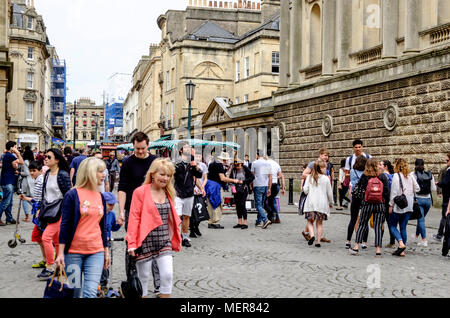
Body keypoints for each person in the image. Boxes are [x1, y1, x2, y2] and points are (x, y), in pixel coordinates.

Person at [126, 158, 182, 298]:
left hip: (163, 240)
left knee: (167, 274)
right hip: (144, 241)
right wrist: (132, 243)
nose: (165, 178)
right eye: (162, 174)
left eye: (168, 175)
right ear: (152, 174)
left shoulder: (169, 192)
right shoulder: (140, 192)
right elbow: (134, 218)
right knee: (143, 278)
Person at [55, 157, 110, 298]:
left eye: (104, 171)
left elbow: (103, 226)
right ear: (90, 172)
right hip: (73, 252)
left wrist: (106, 250)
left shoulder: (101, 196)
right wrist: (60, 253)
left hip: (96, 251)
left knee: (90, 292)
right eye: (100, 171)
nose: (104, 174)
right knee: (75, 292)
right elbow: (65, 225)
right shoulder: (72, 195)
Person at [116, 132, 159, 292]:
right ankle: (132, 281)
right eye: (136, 149)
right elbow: (122, 188)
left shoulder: (155, 161)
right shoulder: (127, 162)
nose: (139, 151)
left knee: (156, 245)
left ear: (148, 145)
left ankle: (158, 284)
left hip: (153, 209)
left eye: (142, 148)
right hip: (132, 209)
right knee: (132, 244)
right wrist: (121, 211)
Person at [37, 149, 72, 280]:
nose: (45, 158)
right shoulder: (46, 174)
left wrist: (68, 212)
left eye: (48, 157)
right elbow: (44, 193)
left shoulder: (62, 174)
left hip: (61, 211)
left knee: (46, 237)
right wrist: (40, 208)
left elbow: (68, 194)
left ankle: (50, 266)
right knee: (57, 240)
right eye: (45, 156)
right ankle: (60, 265)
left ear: (56, 160)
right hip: (49, 210)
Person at [349, 158, 389, 257]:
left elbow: (361, 190)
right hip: (380, 204)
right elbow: (386, 192)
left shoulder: (364, 176)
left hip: (367, 204)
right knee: (378, 226)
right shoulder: (382, 176)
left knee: (362, 224)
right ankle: (378, 250)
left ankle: (356, 247)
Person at [389, 158, 420, 257]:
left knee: (392, 225)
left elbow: (393, 192)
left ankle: (401, 244)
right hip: (409, 205)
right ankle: (402, 251)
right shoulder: (410, 176)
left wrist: (390, 204)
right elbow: (418, 188)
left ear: (397, 166)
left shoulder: (396, 176)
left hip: (399, 205)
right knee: (403, 227)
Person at [174, 142, 203, 248]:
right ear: (181, 150)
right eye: (186, 147)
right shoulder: (176, 162)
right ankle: (176, 237)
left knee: (186, 216)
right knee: (177, 216)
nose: (189, 149)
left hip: (189, 193)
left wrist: (195, 167)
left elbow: (199, 175)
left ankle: (185, 237)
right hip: (177, 193)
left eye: (189, 147)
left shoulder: (192, 160)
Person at [301, 148, 333, 242]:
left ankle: (310, 234)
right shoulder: (312, 164)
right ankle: (316, 237)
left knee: (312, 218)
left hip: (317, 195)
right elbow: (304, 174)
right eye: (324, 155)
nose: (326, 157)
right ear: (320, 155)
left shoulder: (328, 165)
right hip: (318, 193)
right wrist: (316, 178)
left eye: (327, 156)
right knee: (317, 220)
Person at [18, 161, 46, 268]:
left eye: (34, 171)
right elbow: (37, 199)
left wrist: (39, 210)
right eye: (31, 171)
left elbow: (39, 200)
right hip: (41, 211)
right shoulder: (39, 180)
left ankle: (48, 259)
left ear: (40, 171)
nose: (32, 173)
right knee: (40, 237)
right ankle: (47, 258)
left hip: (41, 213)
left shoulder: (40, 181)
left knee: (41, 237)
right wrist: (25, 198)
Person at [205, 152, 240, 229]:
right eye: (226, 160)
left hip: (209, 185)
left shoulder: (212, 164)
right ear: (224, 160)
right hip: (216, 186)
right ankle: (215, 222)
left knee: (210, 204)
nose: (226, 161)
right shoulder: (219, 165)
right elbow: (222, 178)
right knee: (217, 203)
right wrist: (234, 180)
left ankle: (211, 221)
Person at [99, 192, 121, 292]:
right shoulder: (99, 213)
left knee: (106, 263)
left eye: (113, 205)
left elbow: (113, 228)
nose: (112, 207)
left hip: (107, 243)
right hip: (98, 242)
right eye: (110, 204)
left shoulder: (111, 214)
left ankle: (104, 284)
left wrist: (119, 224)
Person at [345, 155, 368, 249]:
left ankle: (348, 241)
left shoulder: (352, 171)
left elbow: (351, 182)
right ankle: (364, 242)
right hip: (364, 197)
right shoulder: (367, 173)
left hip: (355, 196)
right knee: (364, 221)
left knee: (353, 219)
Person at [412, 159, 436, 247]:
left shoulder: (412, 175)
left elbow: (412, 188)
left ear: (415, 165)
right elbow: (433, 189)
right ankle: (416, 235)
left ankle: (424, 240)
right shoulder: (429, 174)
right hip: (428, 200)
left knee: (421, 220)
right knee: (420, 219)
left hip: (418, 200)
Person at [0, 141, 24, 226]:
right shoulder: (9, 155)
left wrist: (14, 169)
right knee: (6, 202)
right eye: (15, 147)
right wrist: (17, 153)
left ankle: (9, 218)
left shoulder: (7, 156)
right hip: (7, 182)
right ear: (11, 148)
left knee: (9, 202)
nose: (16, 148)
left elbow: (13, 165)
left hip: (7, 180)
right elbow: (22, 162)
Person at [229, 158, 254, 229]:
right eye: (236, 166)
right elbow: (230, 178)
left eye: (238, 165)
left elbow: (252, 177)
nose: (237, 167)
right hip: (236, 190)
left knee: (242, 204)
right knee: (237, 206)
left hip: (244, 189)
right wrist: (233, 182)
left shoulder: (245, 168)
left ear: (241, 164)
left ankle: (245, 223)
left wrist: (243, 181)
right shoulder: (233, 170)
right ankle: (239, 222)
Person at [251, 151, 272, 229]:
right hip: (265, 185)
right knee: (262, 204)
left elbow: (252, 176)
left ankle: (265, 219)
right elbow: (270, 177)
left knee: (258, 205)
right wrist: (269, 188)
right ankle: (258, 221)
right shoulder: (268, 163)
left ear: (257, 155)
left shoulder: (254, 163)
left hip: (258, 185)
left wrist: (251, 186)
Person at [433, 152, 450, 243]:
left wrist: (438, 185)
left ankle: (440, 235)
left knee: (445, 216)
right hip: (446, 196)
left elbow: (444, 182)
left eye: (447, 160)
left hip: (447, 198)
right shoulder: (446, 169)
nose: (446, 161)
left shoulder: (448, 170)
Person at [190, 152, 208, 238]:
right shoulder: (191, 165)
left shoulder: (203, 165)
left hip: (200, 189)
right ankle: (192, 230)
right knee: (193, 212)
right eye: (196, 156)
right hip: (192, 190)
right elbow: (193, 179)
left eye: (199, 156)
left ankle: (196, 226)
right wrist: (193, 188)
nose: (198, 157)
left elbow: (205, 178)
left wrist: (202, 188)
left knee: (201, 210)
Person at [379, 159, 396, 248]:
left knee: (381, 222)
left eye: (380, 164)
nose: (379, 166)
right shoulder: (394, 176)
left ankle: (379, 241)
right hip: (392, 202)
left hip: (384, 201)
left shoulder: (382, 176)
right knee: (390, 223)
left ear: (385, 166)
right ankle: (392, 241)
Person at [265, 156, 285, 223]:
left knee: (266, 201)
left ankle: (270, 216)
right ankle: (276, 217)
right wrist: (283, 187)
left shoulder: (265, 163)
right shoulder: (276, 164)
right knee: (273, 201)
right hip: (276, 185)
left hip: (268, 184)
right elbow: (281, 175)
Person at [19, 147, 35, 222]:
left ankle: (27, 216)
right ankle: (38, 208)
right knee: (31, 197)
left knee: (24, 198)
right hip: (32, 180)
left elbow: (26, 173)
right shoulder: (33, 162)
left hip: (26, 182)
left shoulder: (25, 162)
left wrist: (19, 173)